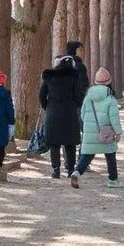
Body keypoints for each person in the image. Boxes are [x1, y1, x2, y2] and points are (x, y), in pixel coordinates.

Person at [40, 49, 86, 182]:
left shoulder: (49, 77)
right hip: (69, 113)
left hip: (53, 112)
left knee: (54, 143)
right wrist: (76, 105)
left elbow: (42, 95)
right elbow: (79, 96)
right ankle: (71, 169)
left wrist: (47, 106)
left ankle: (55, 170)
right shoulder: (74, 78)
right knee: (69, 142)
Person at [78, 68, 123, 184]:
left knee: (87, 155)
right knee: (110, 155)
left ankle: (76, 172)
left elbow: (83, 114)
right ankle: (113, 180)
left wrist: (88, 126)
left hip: (90, 131)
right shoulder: (110, 98)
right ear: (109, 82)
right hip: (106, 132)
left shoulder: (88, 97)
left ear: (95, 81)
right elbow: (114, 118)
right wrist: (118, 132)